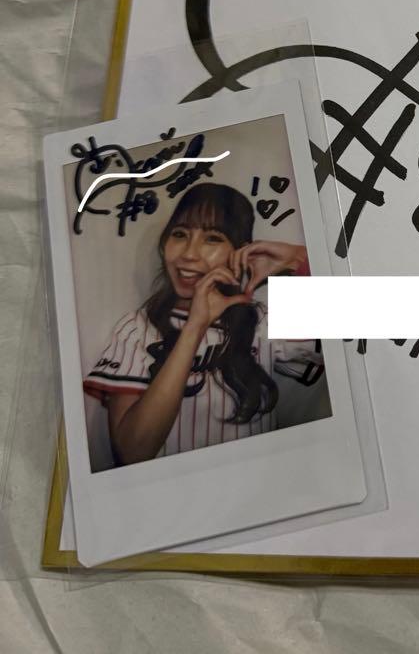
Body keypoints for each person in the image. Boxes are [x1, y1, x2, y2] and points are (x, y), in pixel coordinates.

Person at [83, 182, 323, 466]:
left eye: (212, 238)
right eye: (180, 234)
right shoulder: (137, 328)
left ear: (240, 252)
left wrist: (298, 258)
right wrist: (195, 326)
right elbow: (132, 452)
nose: (189, 253)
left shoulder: (260, 320)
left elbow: (370, 314)